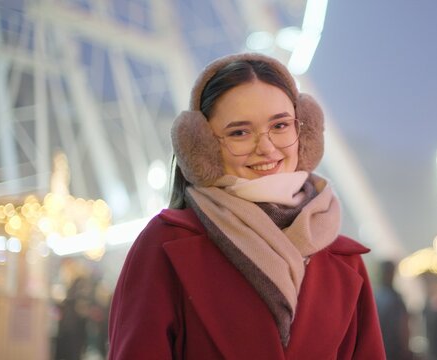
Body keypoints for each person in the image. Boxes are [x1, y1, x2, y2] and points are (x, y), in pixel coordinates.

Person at [107, 53, 385, 359]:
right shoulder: (163, 245)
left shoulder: (345, 261)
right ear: (201, 146)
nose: (265, 147)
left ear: (303, 131)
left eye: (280, 125)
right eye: (239, 132)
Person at [374, 260, 412, 360]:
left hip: (381, 350)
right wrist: (406, 349)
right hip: (395, 351)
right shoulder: (396, 299)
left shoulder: (375, 297)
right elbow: (404, 327)